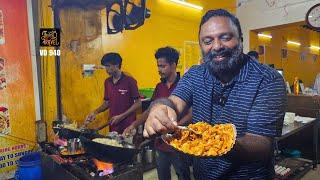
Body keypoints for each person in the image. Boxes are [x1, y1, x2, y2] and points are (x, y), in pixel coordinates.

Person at [143, 9, 287, 179]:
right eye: (208, 41)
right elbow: (173, 102)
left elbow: (261, 144)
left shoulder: (267, 79)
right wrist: (159, 108)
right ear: (201, 46)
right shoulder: (195, 74)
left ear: (240, 39)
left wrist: (213, 142)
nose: (217, 46)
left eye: (225, 37)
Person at [123, 47, 191, 180]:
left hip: (179, 145)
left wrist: (173, 128)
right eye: (158, 66)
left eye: (162, 66)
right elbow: (149, 111)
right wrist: (134, 124)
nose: (159, 69)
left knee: (183, 175)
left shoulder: (184, 85)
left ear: (173, 65)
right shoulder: (159, 87)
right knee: (163, 176)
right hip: (160, 145)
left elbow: (191, 114)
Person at [84, 52, 141, 134]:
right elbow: (107, 103)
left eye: (108, 66)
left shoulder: (130, 81)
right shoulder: (107, 82)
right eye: (105, 66)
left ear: (117, 65)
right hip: (114, 124)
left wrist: (121, 116)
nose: (106, 69)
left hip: (128, 126)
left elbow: (138, 103)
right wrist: (95, 112)